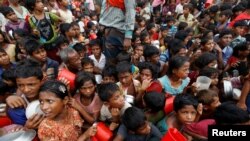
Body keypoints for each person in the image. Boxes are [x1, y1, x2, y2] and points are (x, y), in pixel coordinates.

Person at [6, 59, 44, 129]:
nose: (26, 90)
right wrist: (27, 128)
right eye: (20, 85)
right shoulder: (17, 109)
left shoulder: (52, 93)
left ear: (41, 81)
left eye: (31, 84)